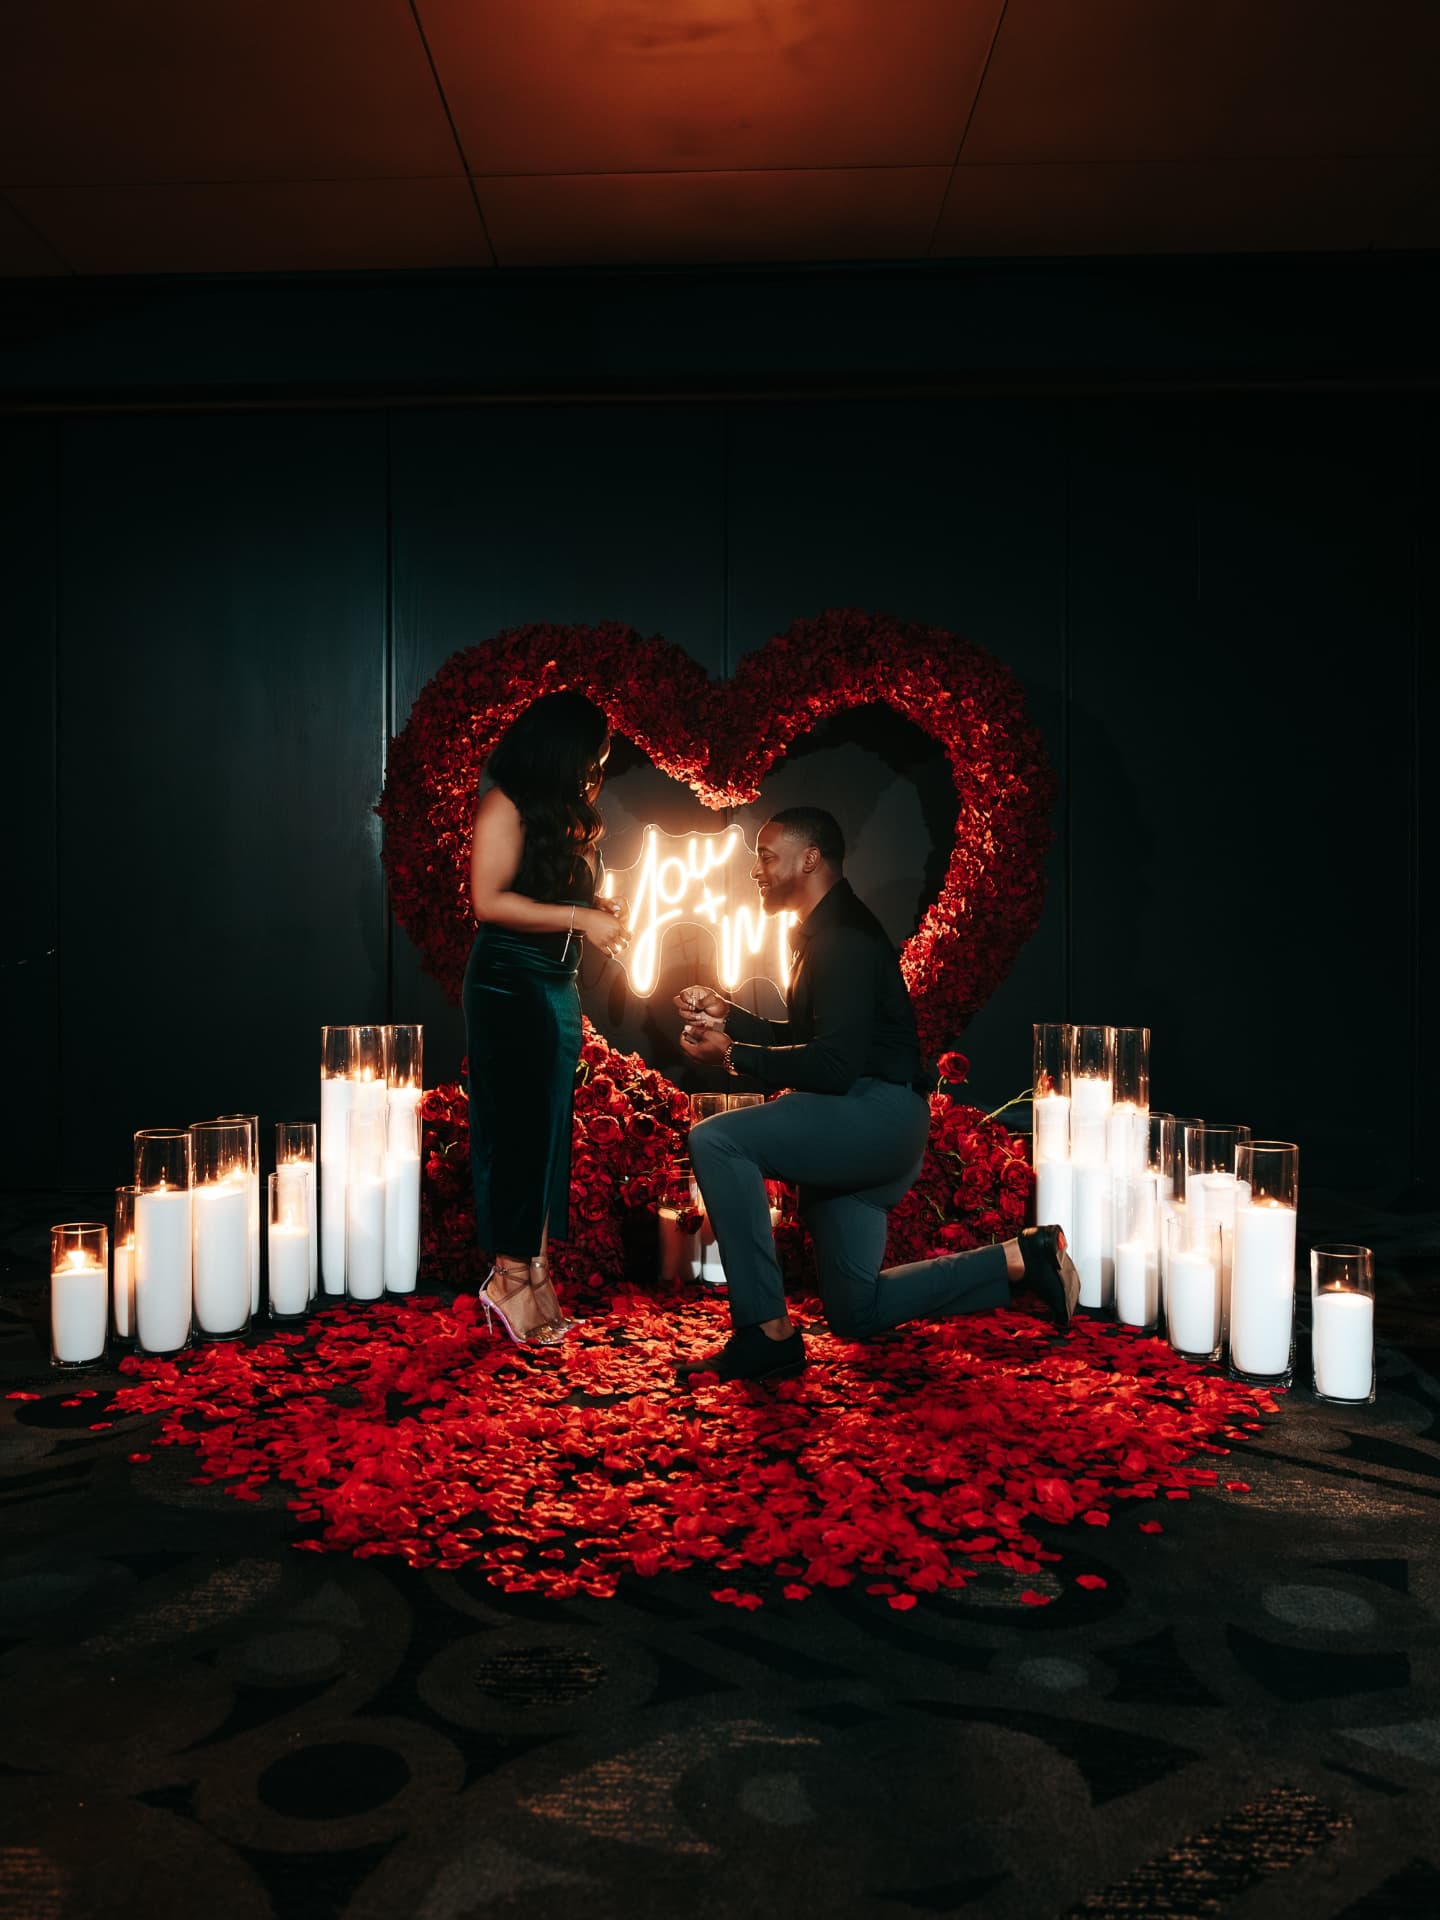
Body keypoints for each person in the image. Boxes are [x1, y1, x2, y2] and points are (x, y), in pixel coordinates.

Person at [675, 806, 1078, 1382]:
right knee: (855, 1312)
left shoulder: (842, 937)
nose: (756, 871)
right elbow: (818, 1042)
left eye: (765, 856)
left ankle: (766, 1332)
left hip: (872, 1117)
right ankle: (1021, 1259)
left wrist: (732, 1056)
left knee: (715, 1141)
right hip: (871, 1127)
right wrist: (731, 1019)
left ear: (809, 858)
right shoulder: (826, 931)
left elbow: (833, 1066)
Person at [464, 690, 630, 1345]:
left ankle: (534, 1273)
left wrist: (600, 912)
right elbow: (487, 901)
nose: (598, 769)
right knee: (515, 1132)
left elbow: (558, 896)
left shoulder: (566, 816)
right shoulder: (504, 803)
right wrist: (580, 916)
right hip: (509, 980)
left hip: (556, 983)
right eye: (594, 756)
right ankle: (509, 1278)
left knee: (547, 1132)